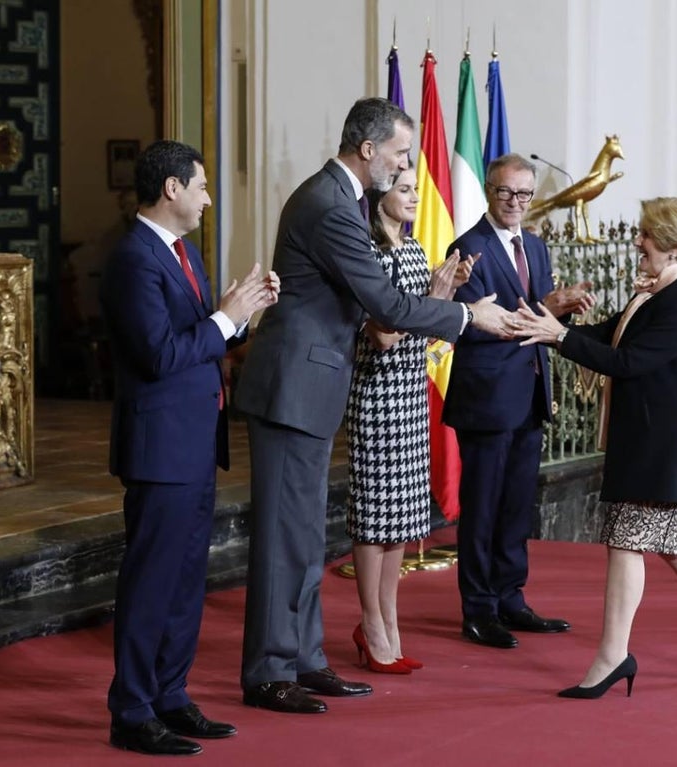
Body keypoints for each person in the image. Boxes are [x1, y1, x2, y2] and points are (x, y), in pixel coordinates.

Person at [233, 97, 517, 715]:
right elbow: (385, 304)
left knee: (304, 537)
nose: (406, 165)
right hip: (290, 391)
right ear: (368, 150)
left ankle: (304, 660)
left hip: (310, 391)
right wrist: (466, 315)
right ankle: (269, 672)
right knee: (283, 540)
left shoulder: (344, 200)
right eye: (400, 153)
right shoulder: (329, 205)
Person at [513, 197, 677, 696]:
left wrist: (558, 338)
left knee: (628, 541)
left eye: (646, 235)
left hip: (668, 444)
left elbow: (629, 363)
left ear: (673, 246)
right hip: (657, 439)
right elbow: (609, 338)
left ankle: (613, 657)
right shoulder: (659, 291)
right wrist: (552, 328)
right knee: (675, 543)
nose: (637, 242)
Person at [100, 139, 279, 756]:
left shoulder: (185, 252)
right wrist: (224, 318)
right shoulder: (133, 259)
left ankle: (171, 695)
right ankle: (132, 709)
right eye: (201, 186)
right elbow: (159, 355)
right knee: (152, 581)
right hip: (159, 448)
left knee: (184, 581)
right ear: (171, 188)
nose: (207, 198)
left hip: (197, 442)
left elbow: (203, 341)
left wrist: (244, 313)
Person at [444, 153, 595, 649]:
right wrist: (545, 307)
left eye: (524, 194)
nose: (515, 202)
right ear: (490, 191)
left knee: (515, 507)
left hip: (530, 392)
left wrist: (564, 310)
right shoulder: (468, 248)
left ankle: (510, 597)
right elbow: (472, 327)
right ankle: (478, 610)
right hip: (487, 398)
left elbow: (542, 323)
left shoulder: (536, 245)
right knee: (483, 509)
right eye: (506, 192)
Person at [345, 168, 474, 673]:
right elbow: (382, 336)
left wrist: (447, 292)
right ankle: (370, 621)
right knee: (374, 516)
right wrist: (433, 302)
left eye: (417, 189)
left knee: (400, 518)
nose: (416, 197)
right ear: (380, 197)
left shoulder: (417, 250)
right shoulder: (366, 254)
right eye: (405, 189)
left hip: (410, 394)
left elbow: (426, 329)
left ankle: (388, 619)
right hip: (376, 394)